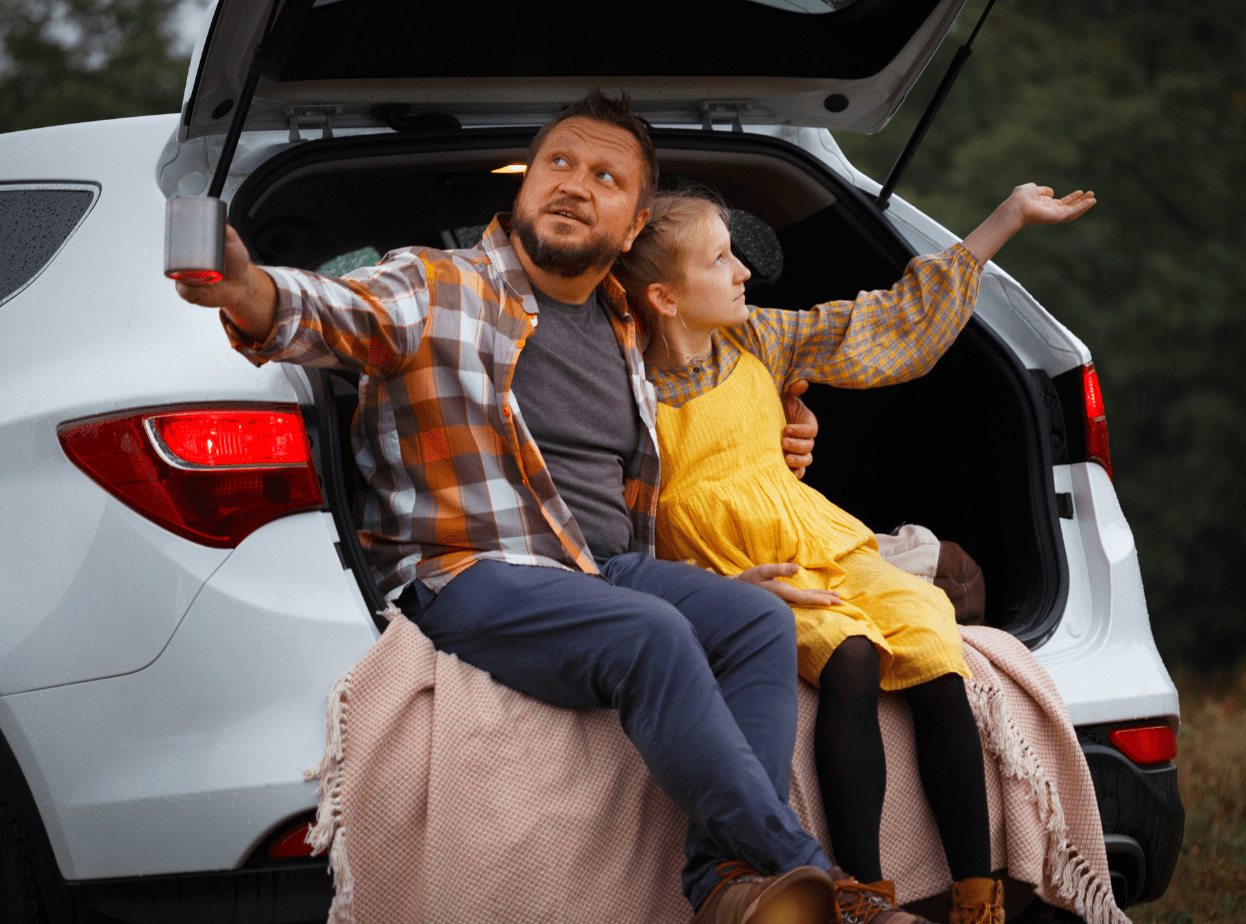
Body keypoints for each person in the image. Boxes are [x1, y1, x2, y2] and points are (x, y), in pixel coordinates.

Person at [174, 89, 844, 924]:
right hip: (473, 568)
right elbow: (333, 312)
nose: (573, 183)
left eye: (605, 175)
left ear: (632, 226)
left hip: (605, 570)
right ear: (525, 184)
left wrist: (786, 420)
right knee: (654, 635)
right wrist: (246, 289)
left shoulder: (630, 324)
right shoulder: (436, 284)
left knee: (756, 622)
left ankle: (725, 883)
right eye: (557, 162)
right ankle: (827, 886)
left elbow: (724, 401)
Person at [611, 184, 1096, 924]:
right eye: (720, 260)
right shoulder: (625, 392)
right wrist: (709, 593)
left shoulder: (759, 341)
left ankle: (979, 899)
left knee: (934, 636)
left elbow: (884, 323)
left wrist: (1003, 222)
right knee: (851, 653)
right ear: (666, 298)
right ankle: (865, 897)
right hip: (744, 575)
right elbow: (618, 531)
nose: (744, 271)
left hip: (825, 538)